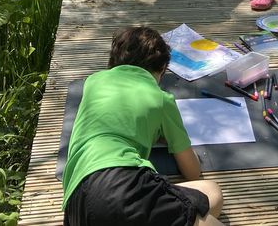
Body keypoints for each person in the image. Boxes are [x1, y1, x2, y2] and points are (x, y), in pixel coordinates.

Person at [62, 26, 224, 226]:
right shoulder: (161, 99)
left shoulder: (93, 82)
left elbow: (117, 117)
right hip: (124, 183)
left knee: (212, 194)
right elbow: (191, 172)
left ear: (113, 62)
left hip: (76, 203)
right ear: (162, 70)